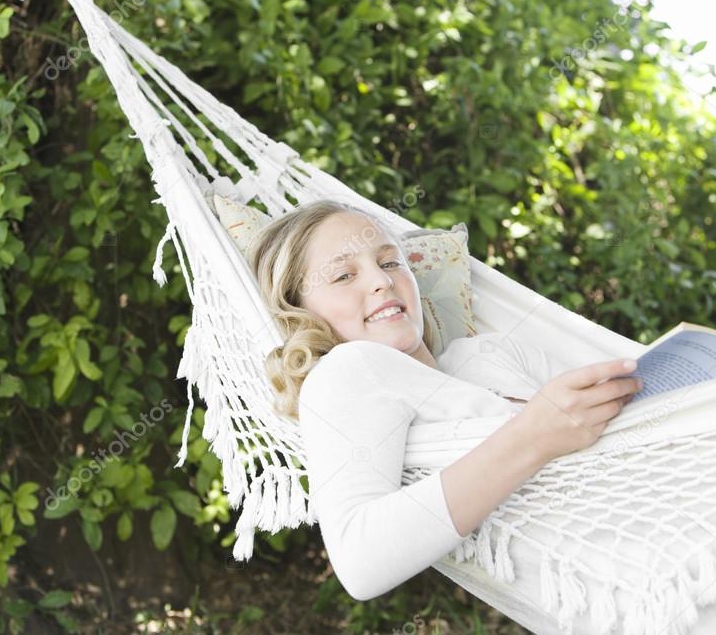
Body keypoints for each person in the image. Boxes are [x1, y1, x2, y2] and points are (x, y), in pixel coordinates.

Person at [245, 199, 643, 601]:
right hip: (631, 569)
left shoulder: (491, 351)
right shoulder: (349, 370)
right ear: (300, 312)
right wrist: (534, 435)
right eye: (344, 275)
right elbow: (359, 562)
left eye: (389, 262)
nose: (382, 281)